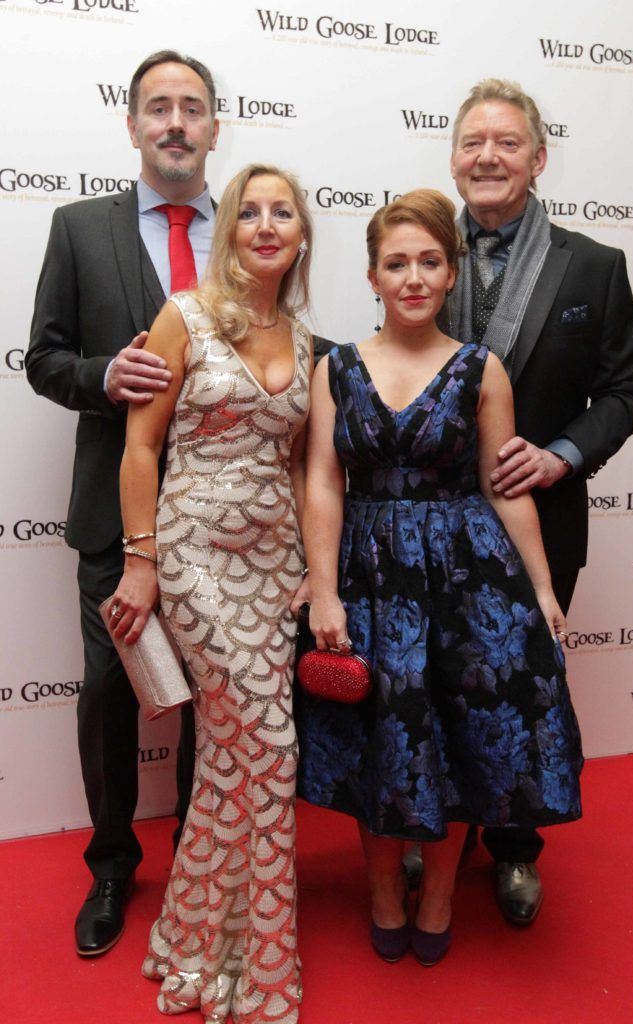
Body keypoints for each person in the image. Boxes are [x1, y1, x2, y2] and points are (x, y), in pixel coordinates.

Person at [295, 190, 583, 967]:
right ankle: (384, 890)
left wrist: (545, 590)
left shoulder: (480, 368)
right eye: (397, 263)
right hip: (369, 574)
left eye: (429, 261)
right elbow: (322, 481)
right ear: (372, 275)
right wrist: (323, 589)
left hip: (466, 578)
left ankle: (442, 892)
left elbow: (503, 486)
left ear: (451, 274)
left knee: (455, 742)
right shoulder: (337, 368)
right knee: (373, 739)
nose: (413, 277)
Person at [26, 50, 220, 956]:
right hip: (113, 518)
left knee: (210, 701)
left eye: (191, 107)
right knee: (108, 691)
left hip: (226, 526)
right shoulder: (77, 227)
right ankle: (111, 864)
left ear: (214, 124)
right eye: (157, 108)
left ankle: (196, 853)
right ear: (133, 124)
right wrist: (105, 374)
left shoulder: (255, 230)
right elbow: (44, 359)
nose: (174, 122)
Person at [442, 78, 633, 925]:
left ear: (538, 156)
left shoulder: (593, 267)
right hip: (430, 522)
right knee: (433, 682)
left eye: (506, 142)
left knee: (525, 691)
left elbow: (625, 391)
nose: (488, 156)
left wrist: (562, 455)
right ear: (453, 158)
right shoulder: (420, 251)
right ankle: (430, 831)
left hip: (542, 520)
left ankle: (517, 849)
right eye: (472, 142)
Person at [110, 163, 312, 1023]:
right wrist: (142, 561)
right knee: (268, 748)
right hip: (194, 558)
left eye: (285, 214)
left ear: (302, 235)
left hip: (274, 572)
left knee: (231, 766)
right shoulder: (183, 316)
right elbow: (140, 447)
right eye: (251, 212)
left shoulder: (307, 339)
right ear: (228, 226)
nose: (267, 226)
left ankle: (193, 945)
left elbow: (301, 465)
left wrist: (312, 567)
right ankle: (258, 964)